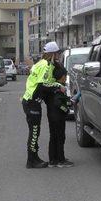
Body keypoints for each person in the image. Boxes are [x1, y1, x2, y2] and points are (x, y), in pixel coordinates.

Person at [21, 41, 63, 169]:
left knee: (35, 131)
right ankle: (31, 160)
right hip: (32, 102)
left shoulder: (40, 64)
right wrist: (58, 85)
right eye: (57, 53)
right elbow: (41, 85)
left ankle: (34, 157)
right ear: (52, 53)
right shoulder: (46, 65)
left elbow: (44, 81)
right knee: (34, 132)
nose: (59, 55)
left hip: (31, 101)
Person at [35, 64, 74, 168]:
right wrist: (66, 110)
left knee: (53, 137)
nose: (66, 78)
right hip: (58, 117)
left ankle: (53, 160)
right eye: (65, 76)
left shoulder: (50, 87)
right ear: (62, 77)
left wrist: (70, 102)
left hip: (51, 116)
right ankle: (61, 160)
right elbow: (58, 103)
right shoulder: (58, 88)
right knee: (60, 137)